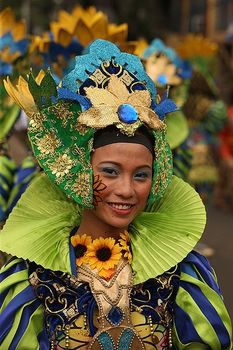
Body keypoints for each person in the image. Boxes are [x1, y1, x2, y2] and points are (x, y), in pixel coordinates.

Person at [0, 39, 232, 350]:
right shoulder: (31, 276)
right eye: (110, 171)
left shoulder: (182, 271)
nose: (126, 190)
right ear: (79, 170)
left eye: (141, 175)